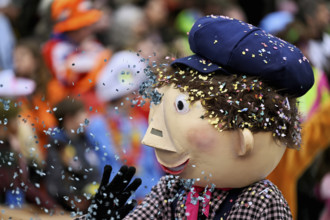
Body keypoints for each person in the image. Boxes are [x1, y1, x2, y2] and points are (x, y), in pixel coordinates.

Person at [77, 15, 314, 219]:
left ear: (244, 139)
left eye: (181, 107)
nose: (151, 138)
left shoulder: (262, 201)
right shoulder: (171, 191)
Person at [42, 0, 111, 109]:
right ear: (74, 28)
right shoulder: (54, 49)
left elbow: (107, 63)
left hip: (95, 101)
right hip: (67, 104)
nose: (90, 29)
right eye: (85, 25)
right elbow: (66, 80)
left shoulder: (89, 43)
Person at [45, 98, 100, 214]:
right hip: (67, 208)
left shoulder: (85, 140)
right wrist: (72, 199)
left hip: (89, 204)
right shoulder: (58, 144)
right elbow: (55, 181)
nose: (87, 118)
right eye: (82, 114)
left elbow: (94, 170)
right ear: (69, 118)